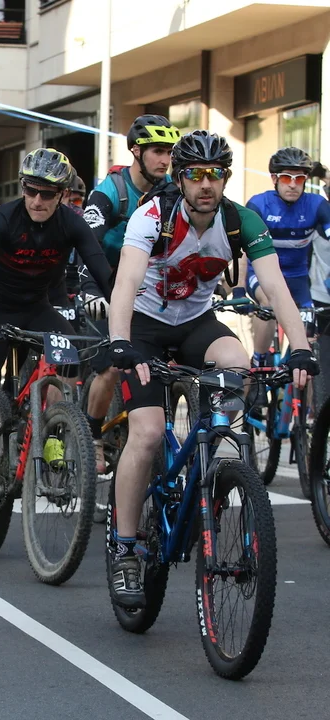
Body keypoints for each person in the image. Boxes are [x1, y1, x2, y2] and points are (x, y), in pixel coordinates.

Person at [106, 131, 318, 608]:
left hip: (196, 323)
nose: (206, 184)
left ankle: (209, 465)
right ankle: (125, 549)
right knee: (147, 434)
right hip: (144, 325)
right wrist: (121, 342)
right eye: (196, 175)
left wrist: (300, 349)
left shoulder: (240, 221)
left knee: (238, 365)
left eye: (216, 174)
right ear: (180, 179)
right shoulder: (152, 216)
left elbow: (276, 288)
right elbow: (126, 283)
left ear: (225, 178)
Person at [0, 148, 114, 518]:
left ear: (62, 195)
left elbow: (100, 268)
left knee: (70, 357)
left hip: (36, 309)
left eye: (47, 193)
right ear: (22, 188)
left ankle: (53, 430)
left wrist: (125, 307)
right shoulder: (2, 218)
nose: (37, 200)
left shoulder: (71, 223)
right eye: (30, 191)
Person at [81, 115, 180, 472]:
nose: (165, 160)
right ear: (136, 151)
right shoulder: (111, 190)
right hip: (106, 281)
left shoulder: (172, 189)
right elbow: (88, 242)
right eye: (157, 152)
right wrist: (90, 288)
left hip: (147, 284)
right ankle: (92, 435)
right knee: (111, 367)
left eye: (169, 152)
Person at [246, 148, 330, 365]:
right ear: (274, 179)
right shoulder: (259, 204)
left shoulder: (316, 205)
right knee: (267, 302)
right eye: (286, 178)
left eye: (299, 178)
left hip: (298, 278)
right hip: (262, 275)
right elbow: (240, 251)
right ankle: (258, 361)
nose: (293, 185)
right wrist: (237, 288)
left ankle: (298, 378)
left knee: (308, 343)